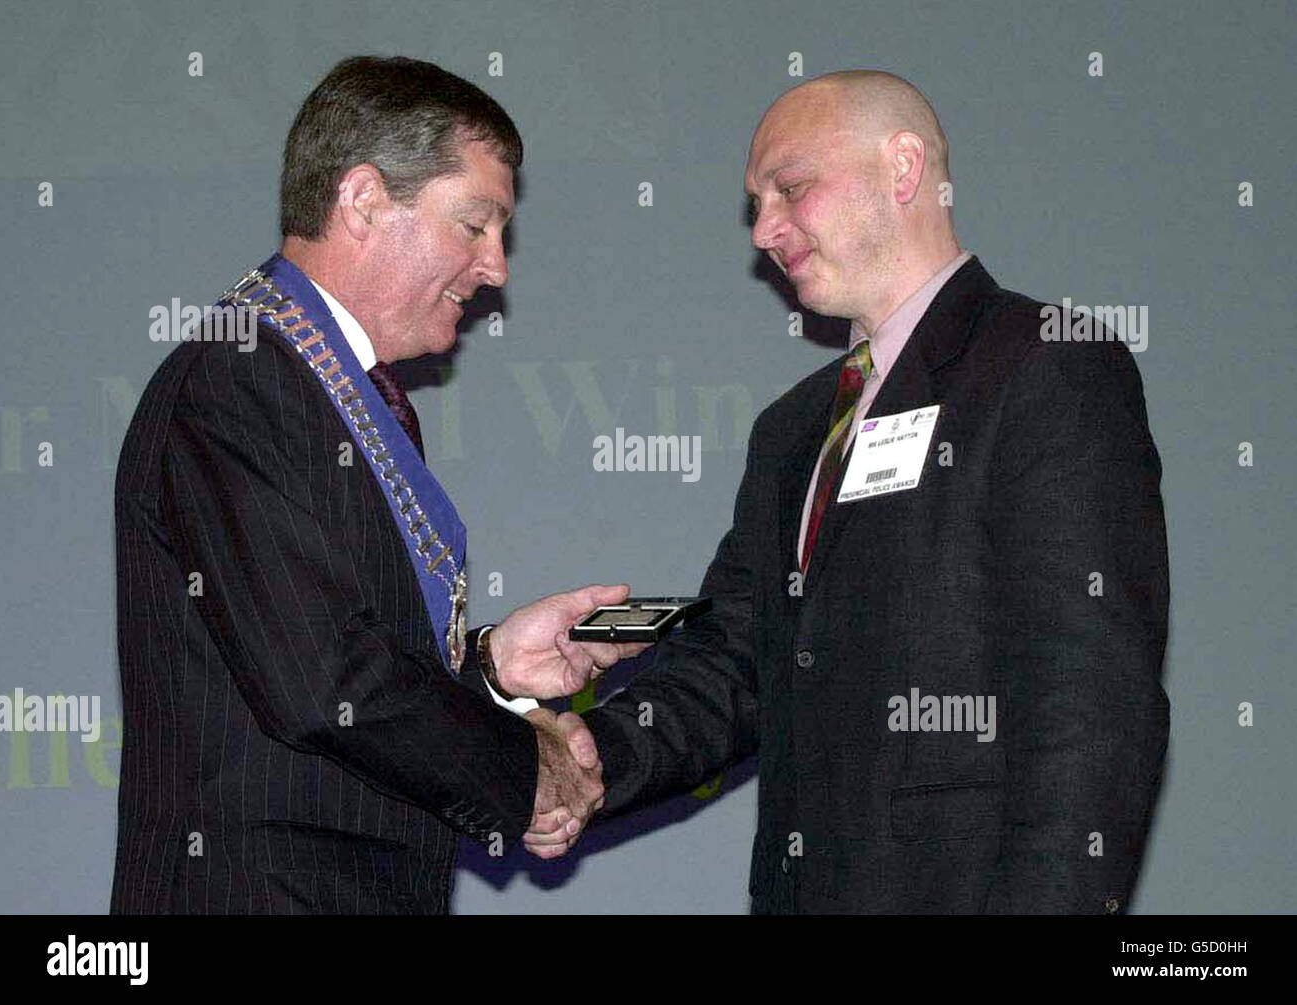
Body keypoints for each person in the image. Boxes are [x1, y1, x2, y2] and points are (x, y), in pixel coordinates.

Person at [524, 70, 1171, 914]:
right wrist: (578, 762)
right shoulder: (792, 430)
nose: (763, 229)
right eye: (755, 204)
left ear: (904, 170)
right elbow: (733, 665)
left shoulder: (1047, 365)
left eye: (789, 188)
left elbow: (1089, 708)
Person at [111, 55, 634, 914]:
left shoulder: (332, 391)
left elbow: (331, 667)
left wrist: (492, 668)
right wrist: (526, 767)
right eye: (475, 224)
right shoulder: (239, 381)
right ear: (361, 200)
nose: (496, 266)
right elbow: (325, 682)